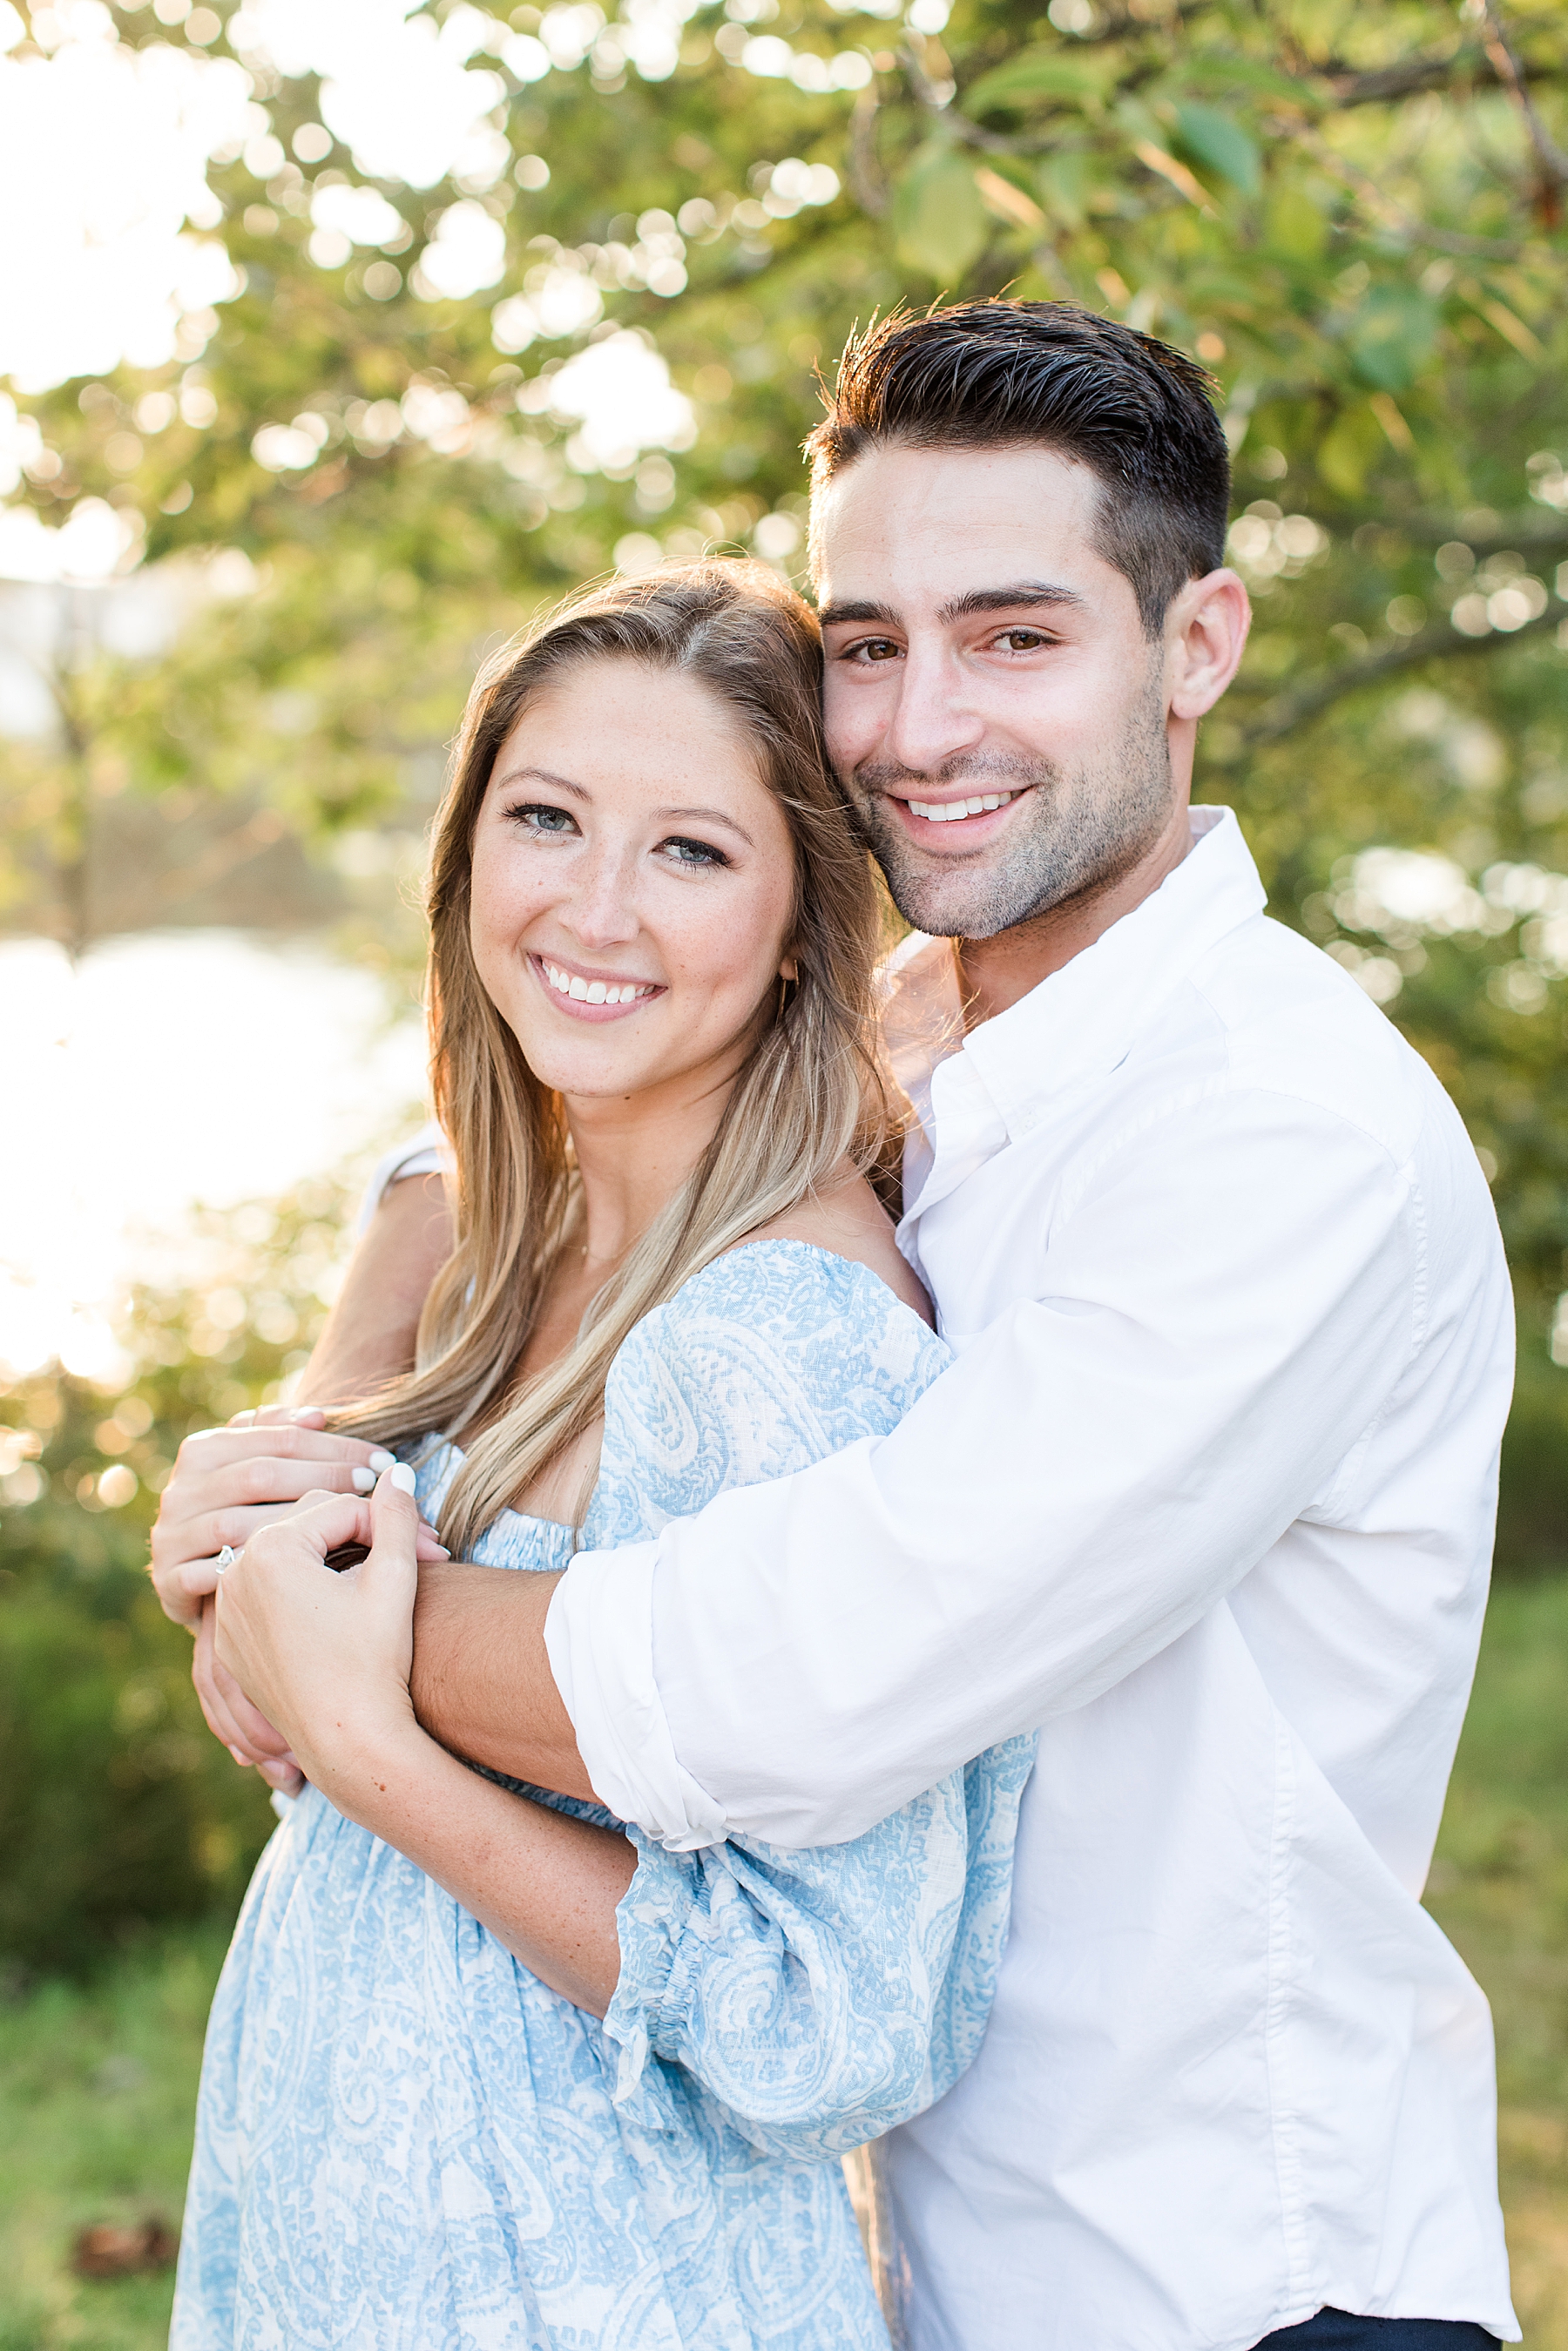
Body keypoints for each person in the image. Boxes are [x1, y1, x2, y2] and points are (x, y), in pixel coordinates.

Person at [154, 302, 1520, 2350]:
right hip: (916, 2258)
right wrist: (332, 1421)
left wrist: (336, 1628)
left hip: (1220, 2279)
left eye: (1018, 635)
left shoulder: (1272, 1135)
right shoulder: (933, 1039)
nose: (916, 723)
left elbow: (809, 1664)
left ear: (1200, 645)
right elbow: (575, 1089)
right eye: (869, 641)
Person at [152, 562, 1036, 2349]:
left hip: (600, 2286)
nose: (597, 908)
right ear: (467, 847)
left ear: (803, 913)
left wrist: (362, 1741)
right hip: (342, 2238)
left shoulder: (779, 1345)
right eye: (547, 817)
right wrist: (249, 1515)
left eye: (693, 851)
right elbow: (436, 1163)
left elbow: (827, 2023)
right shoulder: (491, 1233)